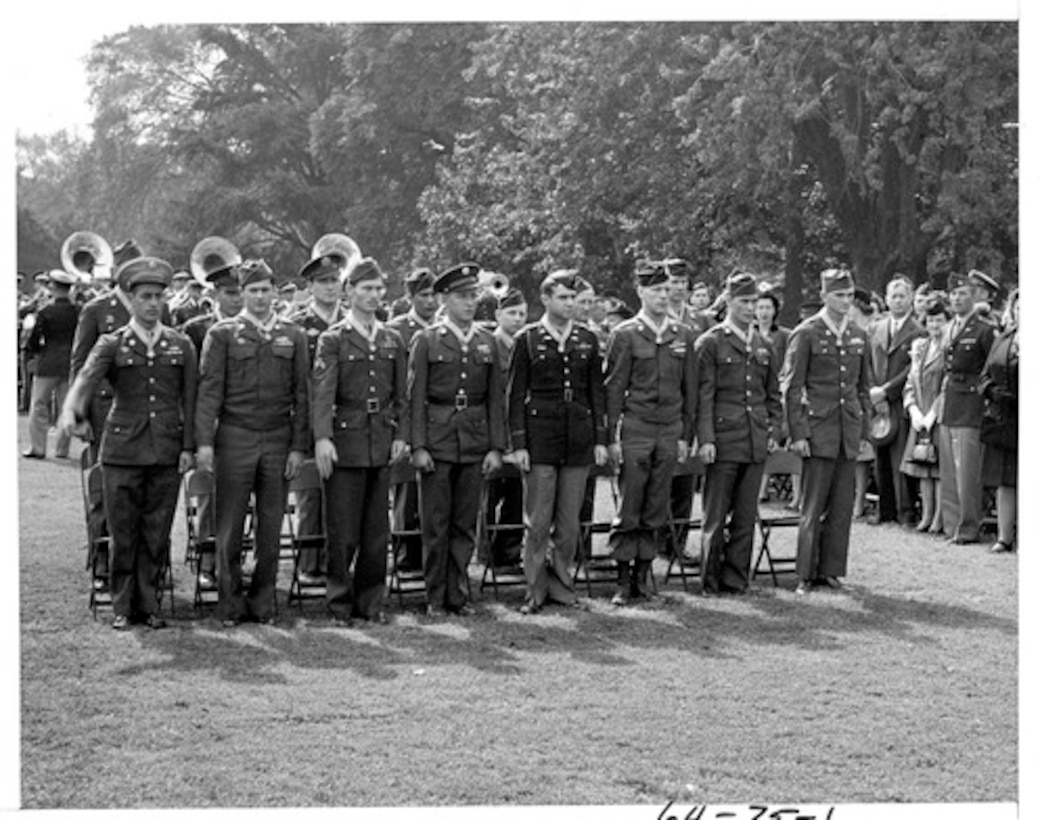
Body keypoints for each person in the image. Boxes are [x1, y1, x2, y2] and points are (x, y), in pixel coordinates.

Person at [60, 257, 197, 629]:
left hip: (166, 451)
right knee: (123, 532)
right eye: (145, 297)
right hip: (122, 451)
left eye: (158, 297)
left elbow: (190, 400)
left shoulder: (180, 344)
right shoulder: (112, 342)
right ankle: (122, 607)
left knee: (156, 532)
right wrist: (73, 410)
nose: (153, 303)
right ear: (131, 301)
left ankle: (148, 605)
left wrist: (188, 447)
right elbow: (86, 377)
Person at [195, 259, 311, 626]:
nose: (260, 297)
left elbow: (302, 396)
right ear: (241, 294)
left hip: (277, 438)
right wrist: (205, 444)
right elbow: (209, 392)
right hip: (234, 436)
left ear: (275, 293)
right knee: (229, 524)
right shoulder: (223, 334)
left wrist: (297, 447)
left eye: (265, 290)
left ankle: (263, 603)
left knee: (271, 526)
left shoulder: (293, 335)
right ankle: (229, 604)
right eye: (253, 290)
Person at [312, 257, 408, 623]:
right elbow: (323, 393)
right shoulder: (333, 338)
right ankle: (339, 603)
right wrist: (323, 438)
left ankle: (371, 603)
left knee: (375, 533)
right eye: (366, 289)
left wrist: (401, 435)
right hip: (346, 441)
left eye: (379, 289)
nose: (374, 295)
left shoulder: (391, 338)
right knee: (342, 530)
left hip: (380, 441)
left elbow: (402, 396)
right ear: (349, 291)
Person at [408, 263, 506, 616]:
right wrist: (417, 445)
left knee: (465, 523)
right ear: (445, 300)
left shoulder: (487, 341)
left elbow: (496, 398)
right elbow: (415, 396)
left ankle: (458, 594)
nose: (469, 303)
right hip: (438, 438)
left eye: (473, 296)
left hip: (475, 439)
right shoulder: (428, 339)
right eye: (462, 297)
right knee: (436, 523)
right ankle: (436, 596)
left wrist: (497, 446)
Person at [508, 271, 608, 614]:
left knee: (568, 523)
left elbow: (597, 392)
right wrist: (518, 442)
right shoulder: (528, 339)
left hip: (577, 438)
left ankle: (562, 586)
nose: (569, 304)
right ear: (546, 300)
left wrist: (600, 438)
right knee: (537, 522)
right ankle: (535, 590)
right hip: (540, 438)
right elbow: (515, 393)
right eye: (563, 297)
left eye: (572, 297)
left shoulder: (587, 339)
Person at [604, 263, 698, 606]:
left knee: (657, 502)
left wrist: (686, 434)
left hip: (669, 429)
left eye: (666, 289)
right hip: (636, 428)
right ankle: (623, 579)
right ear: (640, 292)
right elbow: (613, 389)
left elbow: (690, 390)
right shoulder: (626, 334)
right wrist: (610, 437)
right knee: (631, 502)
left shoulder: (683, 334)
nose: (663, 295)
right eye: (655, 290)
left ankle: (644, 576)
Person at [782, 269, 872, 595]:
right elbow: (791, 388)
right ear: (824, 296)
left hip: (847, 429)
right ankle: (806, 572)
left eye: (849, 295)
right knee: (813, 505)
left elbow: (863, 388)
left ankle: (831, 570)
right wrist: (798, 434)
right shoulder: (807, 333)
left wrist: (863, 431)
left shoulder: (859, 334)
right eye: (839, 295)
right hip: (818, 429)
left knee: (841, 506)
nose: (846, 302)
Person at [695, 272, 782, 594]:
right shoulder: (711, 342)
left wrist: (773, 428)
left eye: (754, 302)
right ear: (729, 302)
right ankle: (710, 578)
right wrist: (705, 439)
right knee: (715, 516)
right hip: (722, 439)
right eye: (744, 302)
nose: (750, 308)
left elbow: (773, 394)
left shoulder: (764, 345)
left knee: (745, 516)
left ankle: (736, 579)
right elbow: (703, 397)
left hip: (754, 439)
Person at [288, 251, 349, 586]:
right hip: (312, 417)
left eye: (334, 281)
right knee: (311, 493)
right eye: (323, 282)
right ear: (309, 286)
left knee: (344, 496)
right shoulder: (298, 324)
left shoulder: (354, 319)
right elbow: (297, 379)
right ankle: (310, 563)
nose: (330, 287)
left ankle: (338, 561)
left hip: (349, 420)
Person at [936, 270, 996, 544]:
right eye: (954, 293)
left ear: (974, 297)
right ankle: (951, 525)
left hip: (971, 403)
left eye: (963, 293)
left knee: (967, 471)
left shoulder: (984, 330)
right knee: (948, 470)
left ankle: (968, 526)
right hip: (950, 400)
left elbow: (990, 369)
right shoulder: (949, 327)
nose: (957, 298)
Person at [387, 267, 439, 572]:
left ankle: (432, 555)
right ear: (410, 297)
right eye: (424, 295)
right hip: (407, 417)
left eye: (434, 295)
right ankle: (407, 557)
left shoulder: (445, 328)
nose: (430, 302)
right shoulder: (397, 330)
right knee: (407, 492)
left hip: (439, 420)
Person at [868, 275, 925, 525]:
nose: (898, 300)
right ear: (886, 299)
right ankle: (885, 509)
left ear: (911, 299)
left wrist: (887, 390)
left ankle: (905, 511)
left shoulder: (918, 331)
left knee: (900, 455)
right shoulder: (876, 328)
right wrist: (872, 390)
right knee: (879, 455)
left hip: (900, 400)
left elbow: (912, 369)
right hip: (877, 401)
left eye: (902, 296)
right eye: (893, 296)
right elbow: (868, 363)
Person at [485, 287, 528, 569]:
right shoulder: (489, 344)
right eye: (511, 313)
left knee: (517, 498)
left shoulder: (527, 344)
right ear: (498, 314)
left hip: (520, 432)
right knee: (488, 497)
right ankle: (485, 551)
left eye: (522, 313)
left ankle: (509, 553)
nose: (518, 319)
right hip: (491, 432)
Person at [900, 295, 949, 534]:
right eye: (931, 321)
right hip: (920, 415)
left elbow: (947, 385)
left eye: (939, 321)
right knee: (922, 467)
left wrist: (933, 413)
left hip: (939, 416)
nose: (935, 326)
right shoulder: (920, 347)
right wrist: (913, 409)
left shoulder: (949, 349)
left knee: (937, 469)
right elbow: (910, 381)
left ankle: (939, 517)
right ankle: (926, 515)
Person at [23, 270, 80, 460]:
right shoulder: (79, 311)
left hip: (48, 361)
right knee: (66, 406)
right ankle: (62, 449)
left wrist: (32, 354)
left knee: (39, 405)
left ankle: (38, 447)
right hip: (70, 362)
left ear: (53, 287)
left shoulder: (45, 311)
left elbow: (35, 338)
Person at [979, 288, 1018, 553]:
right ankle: (1004, 537)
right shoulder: (1003, 338)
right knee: (1005, 479)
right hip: (1003, 418)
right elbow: (983, 375)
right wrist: (990, 390)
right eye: (1019, 307)